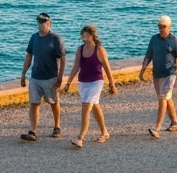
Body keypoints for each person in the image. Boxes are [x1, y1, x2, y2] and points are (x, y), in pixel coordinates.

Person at [63, 24, 117, 148]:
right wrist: (68, 83)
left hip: (96, 82)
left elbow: (107, 68)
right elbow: (76, 67)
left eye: (87, 34)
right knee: (94, 106)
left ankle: (80, 137)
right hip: (83, 82)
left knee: (86, 106)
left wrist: (112, 84)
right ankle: (105, 132)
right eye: (83, 34)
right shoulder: (80, 49)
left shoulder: (99, 49)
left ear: (92, 35)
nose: (84, 37)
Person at [20, 12, 66, 142]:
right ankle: (32, 131)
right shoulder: (34, 38)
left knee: (53, 102)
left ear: (49, 23)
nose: (40, 25)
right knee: (34, 103)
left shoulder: (55, 38)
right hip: (35, 77)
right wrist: (23, 74)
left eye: (43, 22)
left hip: (50, 77)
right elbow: (29, 56)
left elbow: (62, 59)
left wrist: (60, 77)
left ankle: (57, 126)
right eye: (39, 22)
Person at [139, 15, 177, 139]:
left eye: (163, 27)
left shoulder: (174, 41)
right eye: (159, 26)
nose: (161, 29)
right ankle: (174, 122)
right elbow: (149, 55)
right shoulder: (154, 39)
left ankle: (157, 128)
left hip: (169, 74)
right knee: (167, 98)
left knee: (162, 98)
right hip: (157, 74)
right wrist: (142, 70)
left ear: (169, 27)